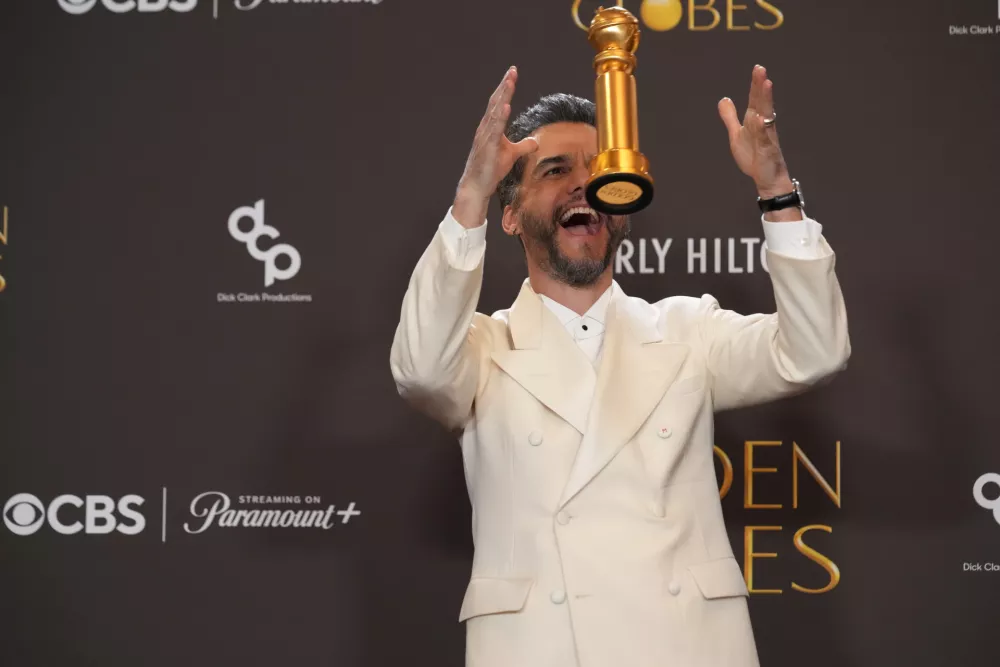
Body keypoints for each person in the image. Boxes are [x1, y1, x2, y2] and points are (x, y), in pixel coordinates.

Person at [389, 64, 850, 667]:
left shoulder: (688, 331)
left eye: (600, 173)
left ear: (623, 201)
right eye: (556, 171)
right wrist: (471, 194)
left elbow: (815, 350)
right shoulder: (479, 349)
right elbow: (420, 369)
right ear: (509, 214)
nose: (585, 188)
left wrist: (776, 190)